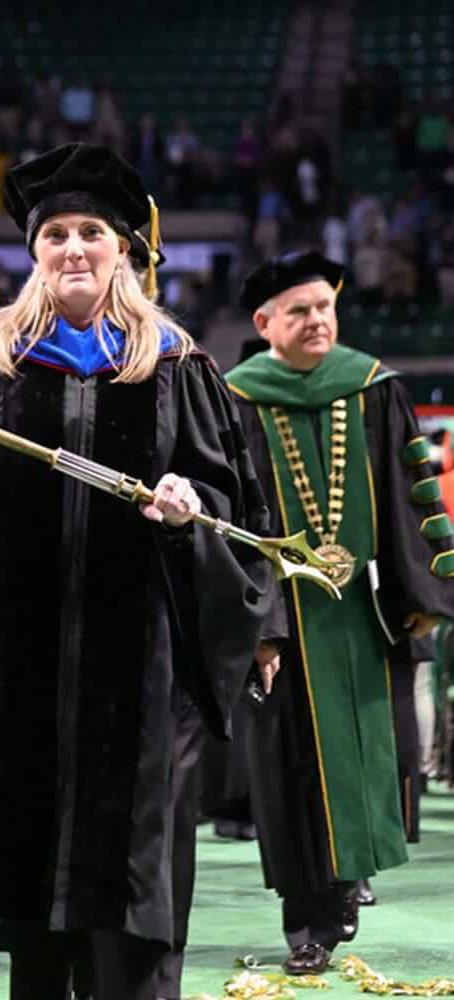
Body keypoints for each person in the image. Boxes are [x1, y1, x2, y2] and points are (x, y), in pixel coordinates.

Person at [0, 143, 282, 1000]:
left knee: (134, 890)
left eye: (91, 232)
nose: (73, 248)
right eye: (55, 232)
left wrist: (190, 513)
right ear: (33, 251)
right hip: (15, 667)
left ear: (125, 248)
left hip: (141, 672)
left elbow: (235, 505)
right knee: (29, 882)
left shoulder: (177, 364)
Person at [226, 251, 454, 975]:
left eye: (325, 307)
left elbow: (411, 489)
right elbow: (230, 517)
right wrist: (259, 623)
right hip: (283, 619)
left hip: (364, 612)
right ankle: (307, 919)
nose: (318, 320)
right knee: (290, 767)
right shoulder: (236, 399)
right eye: (300, 311)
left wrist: (420, 595)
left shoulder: (372, 387)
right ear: (265, 324)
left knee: (363, 759)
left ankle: (346, 885)